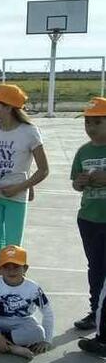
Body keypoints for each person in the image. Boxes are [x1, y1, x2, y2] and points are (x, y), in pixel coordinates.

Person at [0, 85, 50, 270]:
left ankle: (14, 288)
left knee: (13, 247)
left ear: (9, 107)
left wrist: (19, 187)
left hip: (15, 197)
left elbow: (43, 170)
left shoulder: (29, 132)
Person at [71, 97, 106, 330]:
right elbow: (75, 182)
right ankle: (96, 311)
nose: (90, 128)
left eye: (97, 122)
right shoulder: (83, 151)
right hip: (89, 218)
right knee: (95, 267)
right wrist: (81, 182)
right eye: (87, 123)